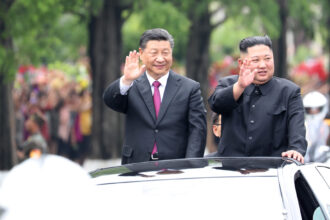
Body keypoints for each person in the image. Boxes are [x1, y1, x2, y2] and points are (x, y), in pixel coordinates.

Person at [103, 28, 207, 164]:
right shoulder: (131, 85)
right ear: (141, 53)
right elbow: (110, 100)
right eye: (154, 53)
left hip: (175, 167)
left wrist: (190, 164)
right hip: (136, 164)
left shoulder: (189, 88)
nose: (160, 58)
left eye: (165, 53)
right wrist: (126, 80)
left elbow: (197, 130)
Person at [208, 35, 307, 163]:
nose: (262, 65)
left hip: (271, 172)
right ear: (241, 63)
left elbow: (297, 132)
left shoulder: (289, 92)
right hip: (231, 172)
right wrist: (240, 86)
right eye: (255, 60)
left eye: (268, 59)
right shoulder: (228, 84)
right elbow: (216, 104)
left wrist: (296, 150)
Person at [303, 91, 330, 162]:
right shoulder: (301, 123)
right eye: (309, 109)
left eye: (316, 109)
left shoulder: (327, 123)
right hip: (306, 159)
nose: (313, 112)